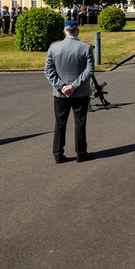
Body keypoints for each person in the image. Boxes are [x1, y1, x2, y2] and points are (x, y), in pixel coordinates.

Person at [44, 21, 95, 163]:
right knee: (80, 122)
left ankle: (58, 153)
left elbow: (48, 71)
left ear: (64, 32)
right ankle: (81, 152)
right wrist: (74, 86)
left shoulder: (54, 47)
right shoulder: (86, 47)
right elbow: (89, 71)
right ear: (77, 31)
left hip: (60, 93)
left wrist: (61, 86)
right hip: (80, 92)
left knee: (60, 122)